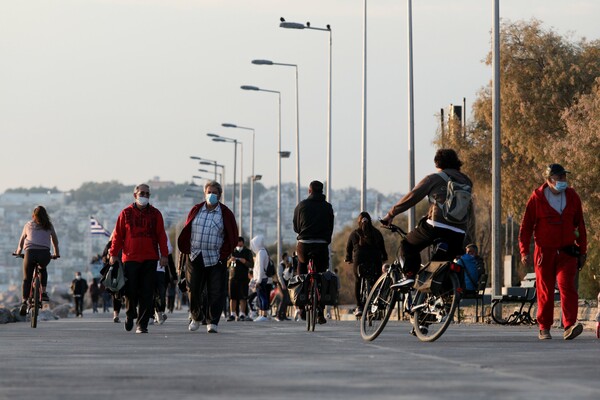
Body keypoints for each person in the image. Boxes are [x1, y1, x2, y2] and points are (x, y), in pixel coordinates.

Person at [380, 148, 474, 290]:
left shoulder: (434, 178)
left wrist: (391, 214)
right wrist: (467, 237)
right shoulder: (466, 182)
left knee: (407, 245)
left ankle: (409, 276)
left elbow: (413, 196)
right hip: (458, 233)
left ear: (437, 163)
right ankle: (439, 305)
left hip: (436, 227)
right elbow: (470, 212)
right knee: (439, 268)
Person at [518, 163, 587, 340]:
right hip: (544, 253)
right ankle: (544, 327)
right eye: (559, 178)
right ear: (549, 180)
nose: (563, 181)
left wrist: (582, 250)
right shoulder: (537, 198)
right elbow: (526, 227)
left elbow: (580, 224)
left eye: (565, 177)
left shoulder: (572, 196)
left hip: (567, 252)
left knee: (567, 286)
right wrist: (524, 250)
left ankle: (570, 325)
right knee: (545, 291)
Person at [177, 180, 238, 334]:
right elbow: (187, 230)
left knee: (216, 290)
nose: (211, 195)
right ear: (204, 194)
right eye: (209, 192)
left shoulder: (225, 213)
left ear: (220, 195)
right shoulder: (196, 210)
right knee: (193, 289)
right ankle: (196, 316)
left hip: (215, 257)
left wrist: (223, 254)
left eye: (215, 193)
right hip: (196, 255)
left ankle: (212, 321)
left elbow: (232, 236)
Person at [109, 184, 169, 334]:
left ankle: (142, 324)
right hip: (130, 258)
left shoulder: (155, 214)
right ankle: (130, 315)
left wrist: (164, 255)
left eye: (148, 194)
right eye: (142, 193)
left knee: (147, 292)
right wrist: (113, 254)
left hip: (150, 258)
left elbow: (162, 235)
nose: (145, 196)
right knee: (130, 291)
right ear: (135, 195)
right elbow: (118, 236)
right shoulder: (125, 213)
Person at [293, 180, 335, 324]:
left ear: (309, 191)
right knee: (322, 274)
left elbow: (296, 227)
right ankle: (320, 311)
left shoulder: (302, 205)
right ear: (322, 191)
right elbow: (331, 226)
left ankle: (301, 304)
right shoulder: (328, 207)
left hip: (304, 245)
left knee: (302, 268)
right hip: (321, 245)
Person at [15, 205, 60, 315]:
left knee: (27, 279)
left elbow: (21, 241)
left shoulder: (28, 225)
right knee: (42, 268)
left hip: (30, 253)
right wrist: (56, 254)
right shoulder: (49, 226)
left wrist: (18, 252)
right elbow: (55, 241)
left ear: (33, 216)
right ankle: (43, 292)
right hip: (44, 254)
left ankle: (24, 301)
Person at [345, 212, 388, 317]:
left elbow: (348, 249)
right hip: (375, 260)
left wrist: (348, 259)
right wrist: (384, 257)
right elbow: (382, 248)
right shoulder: (377, 233)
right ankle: (377, 301)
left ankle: (359, 306)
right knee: (377, 281)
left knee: (358, 281)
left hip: (359, 260)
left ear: (359, 222)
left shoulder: (354, 234)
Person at [227, 236, 254, 322]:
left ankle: (242, 313)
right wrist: (230, 261)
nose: (238, 244)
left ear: (242, 242)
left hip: (243, 277)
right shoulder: (231, 251)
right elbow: (226, 264)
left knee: (243, 296)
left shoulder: (247, 252)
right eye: (237, 242)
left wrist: (244, 261)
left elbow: (251, 265)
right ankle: (232, 314)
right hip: (232, 277)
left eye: (239, 242)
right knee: (232, 296)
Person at [151, 233, 176, 326]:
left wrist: (161, 250)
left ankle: (160, 312)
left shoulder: (164, 234)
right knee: (150, 292)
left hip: (160, 269)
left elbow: (169, 249)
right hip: (149, 268)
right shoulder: (146, 232)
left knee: (161, 293)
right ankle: (151, 315)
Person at [250, 235, 272, 322]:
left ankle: (264, 315)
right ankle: (262, 314)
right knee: (261, 296)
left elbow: (261, 268)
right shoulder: (262, 252)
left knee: (262, 297)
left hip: (261, 278)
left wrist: (258, 280)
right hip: (261, 278)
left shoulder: (261, 253)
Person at [274, 252, 294, 321]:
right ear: (284, 257)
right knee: (283, 299)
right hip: (281, 284)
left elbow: (290, 275)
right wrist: (282, 284)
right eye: (286, 257)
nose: (288, 258)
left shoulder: (289, 265)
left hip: (287, 284)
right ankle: (278, 315)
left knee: (287, 299)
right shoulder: (281, 265)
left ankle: (284, 315)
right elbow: (279, 276)